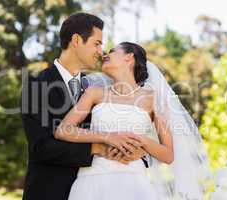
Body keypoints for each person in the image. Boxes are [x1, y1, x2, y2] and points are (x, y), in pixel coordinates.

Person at [54, 42, 211, 200]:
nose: (104, 55)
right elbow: (63, 130)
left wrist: (141, 142)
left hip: (133, 181)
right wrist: (107, 137)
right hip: (92, 179)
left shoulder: (153, 99)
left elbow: (168, 155)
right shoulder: (94, 93)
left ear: (129, 57)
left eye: (112, 51)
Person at [21, 13, 146, 200]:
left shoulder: (98, 88)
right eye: (97, 43)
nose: (101, 52)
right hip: (49, 192)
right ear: (77, 40)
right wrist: (98, 148)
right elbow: (42, 147)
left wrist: (134, 151)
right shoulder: (36, 85)